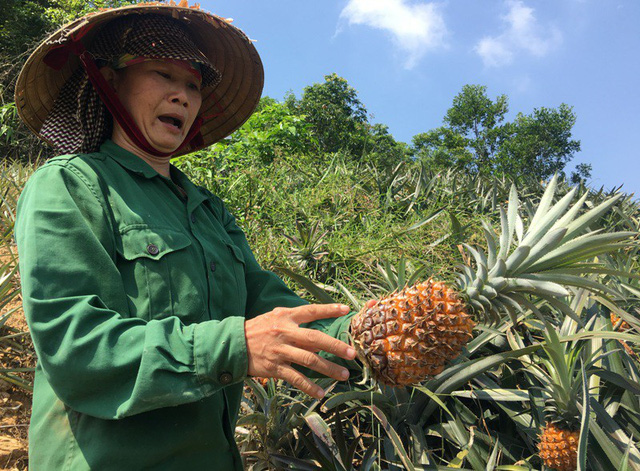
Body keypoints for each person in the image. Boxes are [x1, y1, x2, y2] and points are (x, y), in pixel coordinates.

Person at [14, 4, 363, 469]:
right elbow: (77, 348)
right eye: (162, 74)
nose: (182, 95)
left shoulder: (210, 210)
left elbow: (265, 302)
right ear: (110, 80)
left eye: (194, 86)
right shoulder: (70, 185)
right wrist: (234, 346)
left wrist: (362, 333)